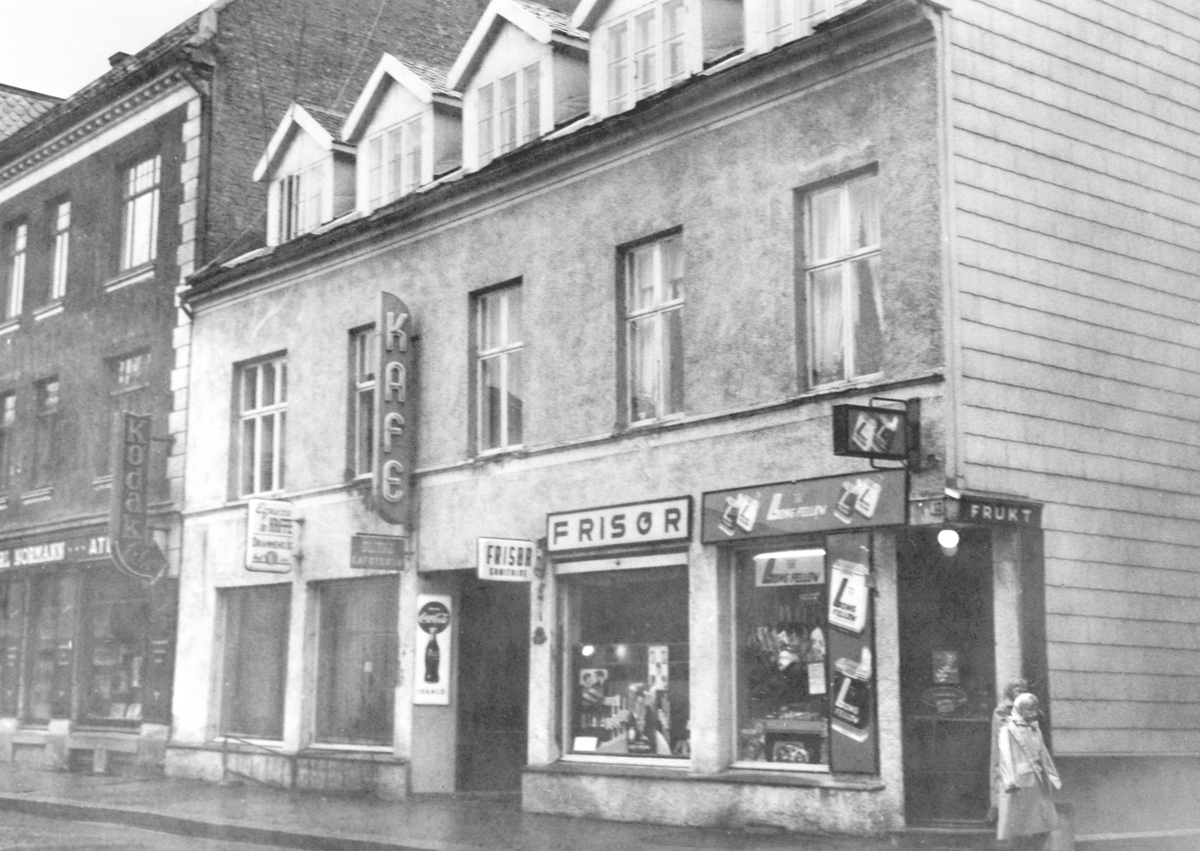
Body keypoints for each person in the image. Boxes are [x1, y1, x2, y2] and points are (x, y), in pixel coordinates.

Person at [997, 692, 1062, 851]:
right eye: (1027, 710)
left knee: (1044, 824)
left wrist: (1053, 777)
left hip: (1038, 782)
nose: (1031, 713)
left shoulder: (1036, 730)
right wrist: (1010, 781)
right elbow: (1006, 757)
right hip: (1020, 784)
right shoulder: (1009, 730)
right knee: (1021, 827)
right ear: (1019, 710)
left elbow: (1043, 755)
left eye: (1033, 710)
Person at [989, 678, 1029, 822]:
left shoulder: (1026, 708)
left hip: (1022, 752)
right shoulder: (1003, 709)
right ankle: (997, 810)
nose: (1020, 691)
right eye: (1017, 688)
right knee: (1004, 778)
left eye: (1023, 689)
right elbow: (1005, 729)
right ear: (1009, 691)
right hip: (1006, 750)